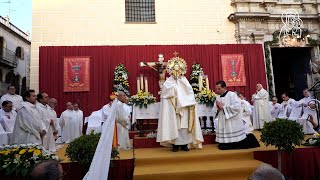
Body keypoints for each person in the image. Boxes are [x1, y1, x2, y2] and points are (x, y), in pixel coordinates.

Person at [156, 70, 203, 152]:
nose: (176, 73)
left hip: (184, 108)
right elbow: (165, 93)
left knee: (184, 126)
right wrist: (174, 91)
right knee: (174, 125)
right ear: (171, 71)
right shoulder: (168, 82)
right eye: (174, 70)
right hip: (172, 108)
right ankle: (175, 145)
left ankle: (185, 144)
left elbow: (189, 93)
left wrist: (185, 100)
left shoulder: (185, 81)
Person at [213, 80, 259, 150]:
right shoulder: (218, 97)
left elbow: (237, 107)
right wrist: (218, 109)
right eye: (216, 89)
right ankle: (226, 142)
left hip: (232, 119)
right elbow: (215, 109)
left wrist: (223, 107)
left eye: (219, 89)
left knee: (235, 137)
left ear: (224, 87)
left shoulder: (232, 95)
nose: (217, 91)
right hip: (223, 118)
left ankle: (234, 142)